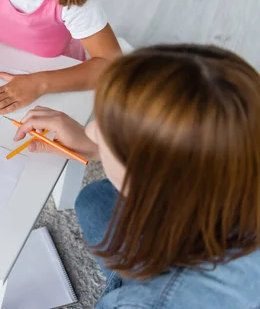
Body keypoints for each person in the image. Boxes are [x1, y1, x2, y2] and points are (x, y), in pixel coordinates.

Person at [13, 45, 260, 308]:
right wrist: (104, 151)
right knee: (95, 200)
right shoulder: (240, 156)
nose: (92, 130)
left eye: (107, 131)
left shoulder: (149, 303)